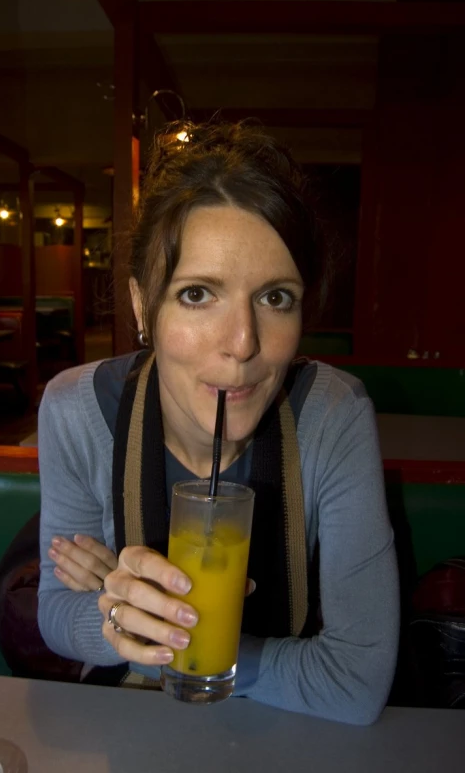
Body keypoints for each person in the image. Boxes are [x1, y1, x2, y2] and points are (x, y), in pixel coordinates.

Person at [38, 120, 399, 724]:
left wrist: (157, 627)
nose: (242, 345)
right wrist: (110, 615)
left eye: (275, 297)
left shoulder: (335, 416)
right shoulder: (76, 409)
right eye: (198, 294)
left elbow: (358, 682)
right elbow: (55, 615)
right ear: (139, 306)